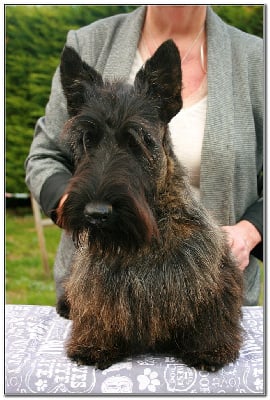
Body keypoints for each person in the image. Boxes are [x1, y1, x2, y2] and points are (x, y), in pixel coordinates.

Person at [25, 5, 263, 306]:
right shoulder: (89, 42)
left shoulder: (257, 60)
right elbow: (45, 155)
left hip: (208, 296)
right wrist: (76, 209)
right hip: (100, 298)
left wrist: (249, 232)